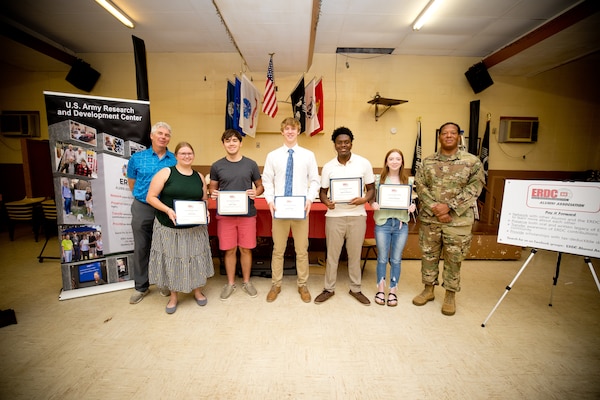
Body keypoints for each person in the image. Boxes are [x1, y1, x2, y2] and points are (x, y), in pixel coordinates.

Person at [412, 122, 484, 316]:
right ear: (439, 137)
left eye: (453, 133)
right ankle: (428, 290)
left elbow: (474, 188)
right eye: (445, 133)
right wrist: (436, 209)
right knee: (429, 255)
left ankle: (450, 295)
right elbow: (420, 186)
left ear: (459, 136)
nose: (449, 136)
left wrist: (449, 208)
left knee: (454, 258)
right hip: (430, 219)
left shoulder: (472, 161)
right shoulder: (427, 162)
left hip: (457, 220)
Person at [146, 142, 214, 314]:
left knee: (195, 258)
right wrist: (168, 210)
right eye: (182, 153)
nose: (186, 156)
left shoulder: (198, 176)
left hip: (194, 228)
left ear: (193, 155)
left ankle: (197, 291)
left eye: (190, 153)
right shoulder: (166, 172)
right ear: (176, 156)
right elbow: (151, 197)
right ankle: (174, 296)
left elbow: (204, 199)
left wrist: (205, 211)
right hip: (170, 227)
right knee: (173, 259)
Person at [314, 126, 375, 306]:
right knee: (332, 256)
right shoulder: (328, 167)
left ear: (351, 143)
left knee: (354, 255)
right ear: (334, 145)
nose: (343, 145)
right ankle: (328, 288)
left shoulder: (364, 163)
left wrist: (363, 199)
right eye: (339, 142)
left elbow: (371, 189)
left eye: (346, 142)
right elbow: (323, 192)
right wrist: (327, 202)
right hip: (334, 217)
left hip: (357, 216)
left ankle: (355, 288)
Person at [262, 117, 320, 303]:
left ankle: (302, 285)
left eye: (293, 129)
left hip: (300, 210)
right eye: (286, 128)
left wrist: (310, 199)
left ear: (298, 131)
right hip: (279, 210)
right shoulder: (273, 156)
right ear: (282, 131)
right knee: (278, 250)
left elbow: (315, 180)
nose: (290, 132)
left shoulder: (308, 155)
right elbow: (267, 181)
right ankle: (276, 284)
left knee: (302, 250)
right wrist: (270, 201)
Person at [209, 129, 264, 300]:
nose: (231, 143)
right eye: (227, 141)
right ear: (223, 144)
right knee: (229, 250)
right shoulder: (217, 166)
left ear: (240, 143)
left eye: (234, 140)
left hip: (247, 214)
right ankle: (230, 283)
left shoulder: (251, 164)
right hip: (225, 215)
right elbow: (212, 188)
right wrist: (213, 192)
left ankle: (246, 282)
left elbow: (260, 186)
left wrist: (257, 192)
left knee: (246, 249)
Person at [126, 121, 177, 304]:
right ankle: (141, 286)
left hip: (167, 208)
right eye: (160, 133)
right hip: (143, 207)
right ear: (152, 136)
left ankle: (163, 283)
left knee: (165, 247)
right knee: (141, 246)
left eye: (167, 135)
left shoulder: (174, 159)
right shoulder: (137, 158)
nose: (163, 137)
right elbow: (132, 183)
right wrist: (145, 197)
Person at [370, 149, 417, 307]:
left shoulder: (408, 181)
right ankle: (380, 289)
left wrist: (412, 206)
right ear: (386, 161)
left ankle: (393, 290)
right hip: (383, 223)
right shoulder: (378, 180)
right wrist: (372, 204)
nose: (395, 161)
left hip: (400, 224)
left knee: (396, 259)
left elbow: (411, 201)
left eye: (398, 159)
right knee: (382, 258)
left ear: (402, 162)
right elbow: (371, 198)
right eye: (391, 158)